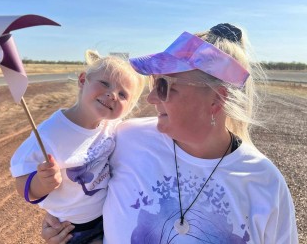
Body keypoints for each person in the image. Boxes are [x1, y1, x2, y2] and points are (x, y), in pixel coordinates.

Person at [41, 23, 298, 243]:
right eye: (154, 83)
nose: (151, 98)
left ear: (216, 100)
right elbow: (83, 195)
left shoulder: (264, 183)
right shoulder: (124, 139)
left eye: (164, 86)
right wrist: (67, 230)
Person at [10, 49, 145, 243]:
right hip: (73, 228)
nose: (113, 94)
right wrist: (41, 183)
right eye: (105, 83)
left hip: (109, 216)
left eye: (123, 94)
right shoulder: (49, 134)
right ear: (83, 81)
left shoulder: (111, 126)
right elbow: (21, 180)